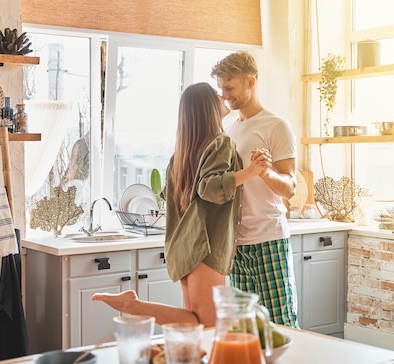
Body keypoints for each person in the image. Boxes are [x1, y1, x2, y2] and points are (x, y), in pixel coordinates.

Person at [92, 82, 269, 327]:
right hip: (204, 246)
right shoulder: (221, 143)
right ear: (207, 107)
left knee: (195, 325)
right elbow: (208, 188)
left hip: (185, 245)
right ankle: (133, 305)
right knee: (206, 324)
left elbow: (175, 197)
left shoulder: (182, 153)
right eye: (217, 95)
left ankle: (136, 307)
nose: (223, 97)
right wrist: (251, 172)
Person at [211, 51, 299, 327]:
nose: (225, 95)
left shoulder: (276, 126)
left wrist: (265, 172)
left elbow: (290, 188)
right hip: (236, 245)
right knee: (244, 327)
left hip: (269, 239)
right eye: (221, 89)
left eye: (230, 88)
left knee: (280, 323)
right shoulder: (227, 131)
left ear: (250, 82)